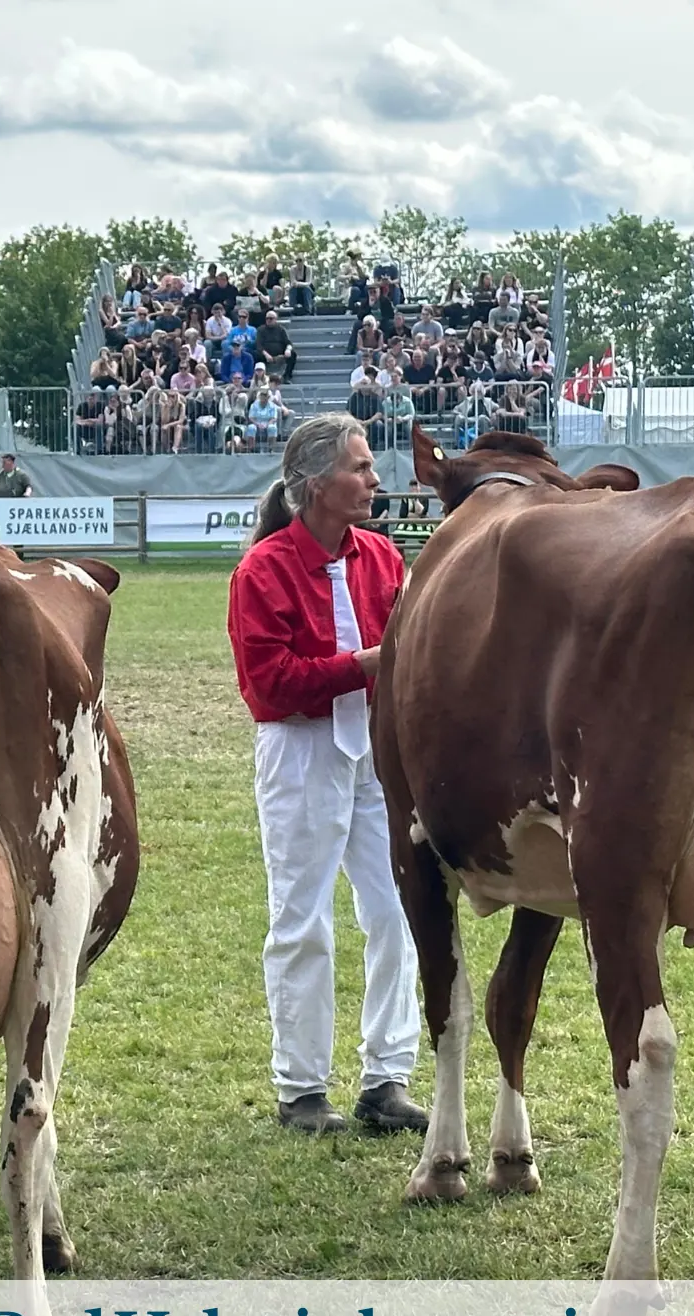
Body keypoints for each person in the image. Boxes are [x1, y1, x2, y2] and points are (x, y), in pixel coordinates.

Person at [227, 415, 427, 1137]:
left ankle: (388, 1076)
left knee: (396, 910)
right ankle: (301, 1086)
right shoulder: (263, 570)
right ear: (317, 486)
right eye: (361, 468)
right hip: (302, 749)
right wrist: (365, 667)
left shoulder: (382, 558)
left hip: (374, 749)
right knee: (302, 918)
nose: (375, 480)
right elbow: (268, 685)